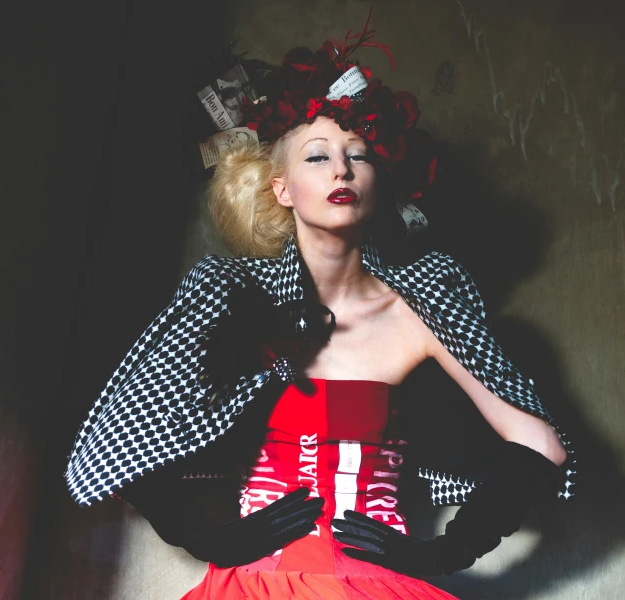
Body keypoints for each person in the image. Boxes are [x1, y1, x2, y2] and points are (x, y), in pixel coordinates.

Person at [66, 18, 574, 600]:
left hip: (377, 585)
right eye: (317, 156)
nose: (341, 169)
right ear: (281, 188)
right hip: (249, 584)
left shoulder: (422, 305)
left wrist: (446, 551)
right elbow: (125, 440)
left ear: (379, 182)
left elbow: (540, 446)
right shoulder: (230, 293)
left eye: (359, 156)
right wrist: (209, 539)